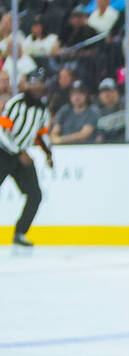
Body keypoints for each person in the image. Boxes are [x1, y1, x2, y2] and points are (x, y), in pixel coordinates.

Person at [0, 67, 53, 252]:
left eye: (40, 83)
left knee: (35, 195)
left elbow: (41, 135)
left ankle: (20, 233)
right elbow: (1, 130)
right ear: (27, 85)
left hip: (22, 156)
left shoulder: (43, 109)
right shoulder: (15, 103)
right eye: (33, 83)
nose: (37, 86)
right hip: (3, 152)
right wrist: (17, 151)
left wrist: (48, 154)